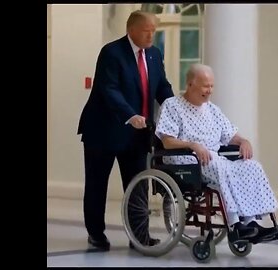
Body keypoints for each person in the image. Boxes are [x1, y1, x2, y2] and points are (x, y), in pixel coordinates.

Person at [77, 10, 174, 251]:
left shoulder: (153, 54)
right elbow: (109, 89)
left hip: (138, 133)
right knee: (97, 184)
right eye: (146, 30)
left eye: (154, 30)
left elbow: (162, 87)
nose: (151, 35)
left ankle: (139, 235)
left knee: (138, 185)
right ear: (131, 30)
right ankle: (96, 234)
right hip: (103, 130)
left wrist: (177, 111)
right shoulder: (112, 52)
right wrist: (130, 115)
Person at [155, 63, 278, 244]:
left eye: (212, 86)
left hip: (212, 158)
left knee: (251, 166)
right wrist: (193, 145)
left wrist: (243, 141)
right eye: (205, 86)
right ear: (190, 84)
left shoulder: (213, 110)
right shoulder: (172, 105)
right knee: (219, 167)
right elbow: (167, 141)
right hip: (185, 159)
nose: (209, 91)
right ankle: (235, 224)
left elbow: (230, 135)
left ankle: (251, 223)